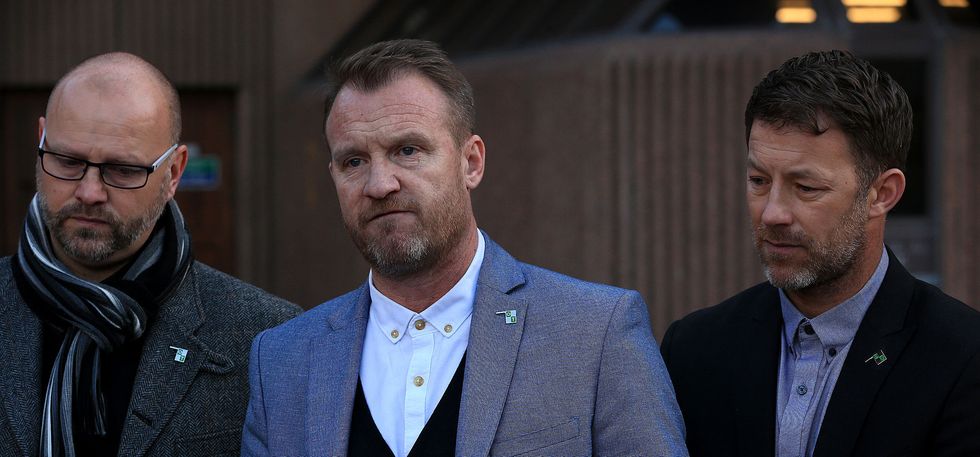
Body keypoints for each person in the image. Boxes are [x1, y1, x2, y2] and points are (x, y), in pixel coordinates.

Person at [242, 39, 687, 457]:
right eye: (353, 161)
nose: (379, 184)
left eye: (408, 150)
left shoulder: (595, 333)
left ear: (470, 162)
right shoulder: (282, 362)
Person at [661, 50, 980, 457]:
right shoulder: (694, 348)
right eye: (758, 180)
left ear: (882, 194)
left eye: (806, 188)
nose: (772, 212)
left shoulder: (962, 357)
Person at [0, 52, 301, 457]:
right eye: (67, 162)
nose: (89, 192)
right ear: (41, 142)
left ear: (174, 172)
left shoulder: (267, 339)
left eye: (123, 170)